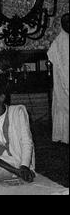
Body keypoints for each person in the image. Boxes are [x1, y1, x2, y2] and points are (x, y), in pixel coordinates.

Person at [48, 13, 69, 144]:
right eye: (66, 22)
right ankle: (64, 136)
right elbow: (52, 56)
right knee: (63, 106)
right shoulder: (59, 40)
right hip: (62, 80)